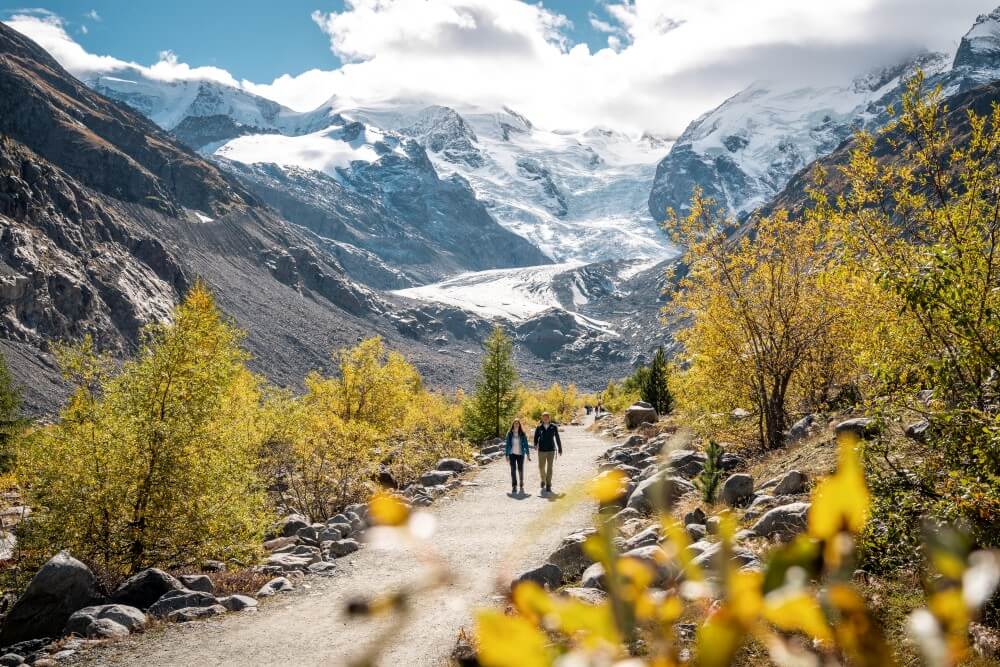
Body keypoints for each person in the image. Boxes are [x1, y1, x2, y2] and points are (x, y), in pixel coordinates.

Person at [534, 411, 562, 493]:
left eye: (547, 417)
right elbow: (536, 437)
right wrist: (535, 444)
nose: (545, 419)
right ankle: (543, 480)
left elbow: (557, 437)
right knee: (541, 467)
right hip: (541, 450)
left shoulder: (553, 427)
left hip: (551, 450)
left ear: (549, 418)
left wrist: (560, 448)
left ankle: (548, 484)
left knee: (550, 468)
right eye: (544, 417)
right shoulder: (539, 427)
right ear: (542, 418)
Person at [505, 418, 530, 494]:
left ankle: (521, 482)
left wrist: (528, 454)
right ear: (513, 424)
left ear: (519, 424)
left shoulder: (522, 433)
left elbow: (526, 444)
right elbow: (507, 444)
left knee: (520, 469)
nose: (516, 424)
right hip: (512, 454)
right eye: (515, 423)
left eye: (517, 423)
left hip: (520, 454)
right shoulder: (509, 433)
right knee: (513, 470)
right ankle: (514, 486)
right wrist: (506, 454)